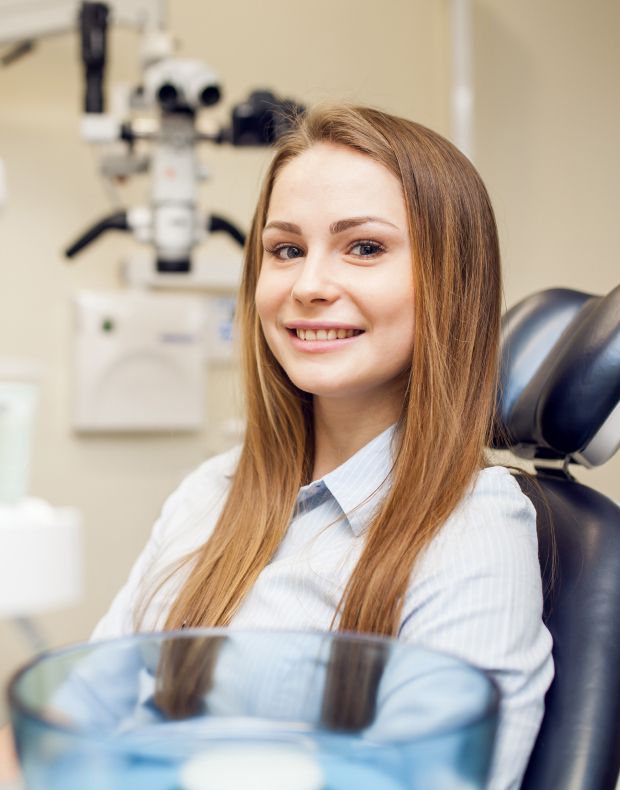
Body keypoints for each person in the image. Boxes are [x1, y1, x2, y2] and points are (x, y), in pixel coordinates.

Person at [0, 104, 553, 788]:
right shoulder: (213, 490)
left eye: (365, 247)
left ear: (450, 282)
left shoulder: (472, 531)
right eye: (286, 250)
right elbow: (70, 716)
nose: (308, 286)